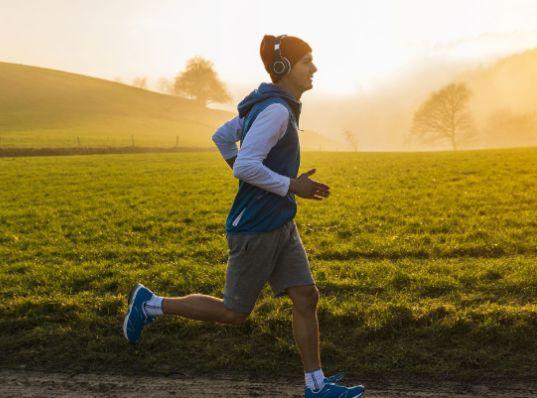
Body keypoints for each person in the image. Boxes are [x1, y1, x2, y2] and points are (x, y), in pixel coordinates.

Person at [123, 34, 365, 398]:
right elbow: (246, 165)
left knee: (305, 297)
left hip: (280, 221)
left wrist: (267, 184)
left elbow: (222, 137)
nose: (314, 68)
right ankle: (151, 304)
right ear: (284, 68)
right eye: (307, 61)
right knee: (234, 313)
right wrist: (289, 185)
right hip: (255, 228)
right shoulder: (275, 111)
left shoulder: (269, 106)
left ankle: (316, 386)